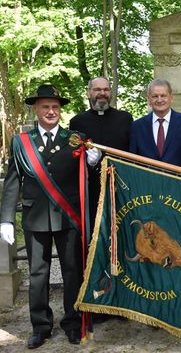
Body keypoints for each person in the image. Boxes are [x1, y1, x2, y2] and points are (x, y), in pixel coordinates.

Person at [0, 85, 100, 348]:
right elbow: (13, 181)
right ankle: (41, 326)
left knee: (72, 273)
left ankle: (72, 322)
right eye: (45, 106)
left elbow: (85, 177)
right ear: (36, 109)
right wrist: (6, 218)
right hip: (35, 218)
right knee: (38, 275)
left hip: (68, 218)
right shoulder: (22, 142)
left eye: (55, 107)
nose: (51, 111)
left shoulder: (75, 138)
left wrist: (91, 162)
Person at [69, 76, 133, 230]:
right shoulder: (77, 122)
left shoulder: (125, 119)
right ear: (89, 93)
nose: (102, 93)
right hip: (91, 189)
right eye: (97, 89)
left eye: (106, 89)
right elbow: (72, 157)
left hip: (120, 187)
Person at [129, 79, 181, 172]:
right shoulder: (137, 126)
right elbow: (132, 164)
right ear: (148, 99)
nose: (159, 100)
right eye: (155, 96)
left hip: (179, 185)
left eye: (163, 96)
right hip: (146, 184)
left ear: (171, 98)